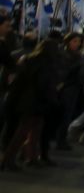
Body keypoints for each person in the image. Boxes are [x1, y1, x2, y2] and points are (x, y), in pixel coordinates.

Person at [2, 36, 58, 170]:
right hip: (36, 101)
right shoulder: (46, 64)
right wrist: (52, 97)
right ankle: (8, 159)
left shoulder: (30, 60)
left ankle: (30, 156)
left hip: (27, 100)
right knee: (25, 131)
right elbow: (43, 84)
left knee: (33, 130)